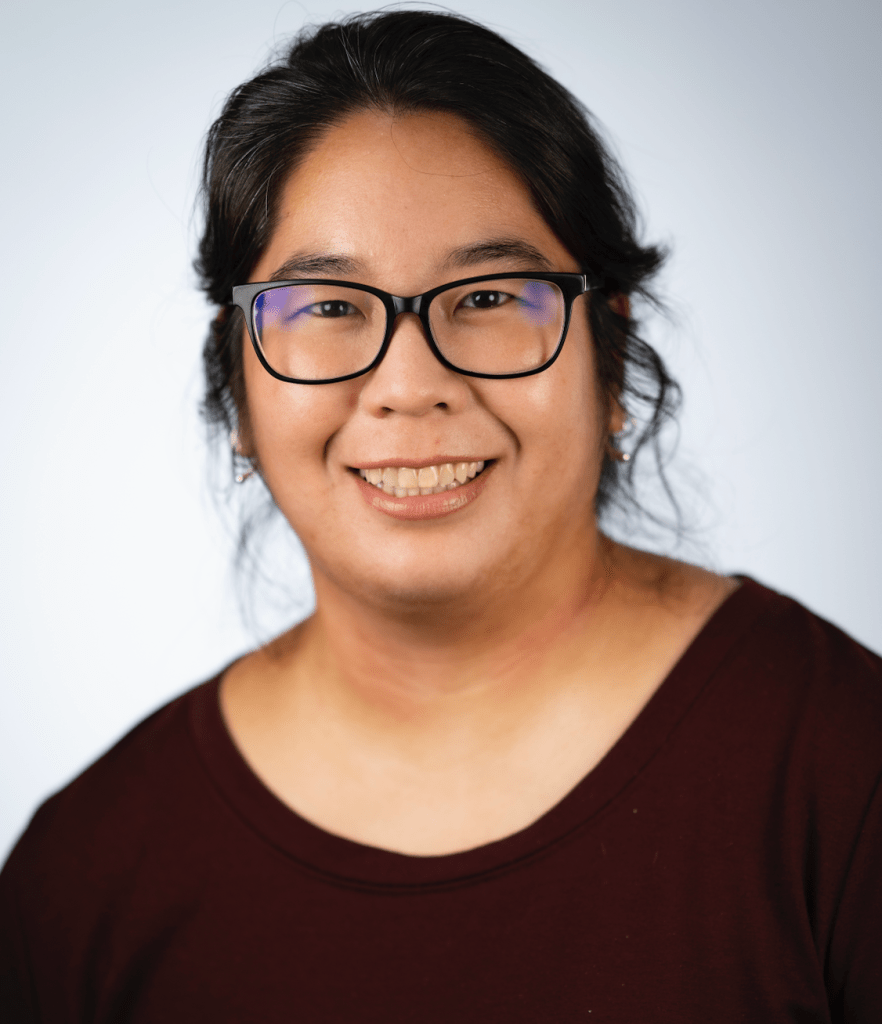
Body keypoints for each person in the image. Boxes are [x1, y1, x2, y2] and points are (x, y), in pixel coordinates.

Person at [1, 9, 879, 1021]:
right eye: (329, 307)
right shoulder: (85, 874)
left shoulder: (840, 769)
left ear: (609, 358)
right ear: (237, 391)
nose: (410, 387)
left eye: (490, 296)